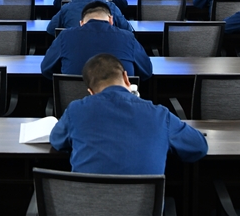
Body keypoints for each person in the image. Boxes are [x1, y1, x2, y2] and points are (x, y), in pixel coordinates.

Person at [49, 53, 208, 175]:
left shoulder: (76, 110)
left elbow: (57, 140)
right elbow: (198, 147)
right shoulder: (159, 115)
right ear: (126, 78)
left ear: (91, 92)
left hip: (85, 205)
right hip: (144, 206)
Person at [43, 0, 147, 79]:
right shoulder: (128, 37)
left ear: (81, 23)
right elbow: (146, 71)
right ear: (111, 19)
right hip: (120, 101)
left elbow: (46, 68)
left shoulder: (65, 36)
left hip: (74, 100)